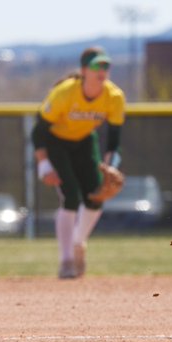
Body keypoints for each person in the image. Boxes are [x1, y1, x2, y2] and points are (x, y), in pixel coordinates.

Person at [32, 46, 126, 279]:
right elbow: (38, 131)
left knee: (96, 196)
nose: (102, 70)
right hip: (57, 142)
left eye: (106, 65)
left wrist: (111, 166)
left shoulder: (114, 97)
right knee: (71, 197)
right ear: (84, 70)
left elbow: (114, 140)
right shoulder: (65, 93)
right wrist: (43, 164)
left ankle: (78, 244)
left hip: (85, 142)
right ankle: (65, 260)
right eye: (96, 65)